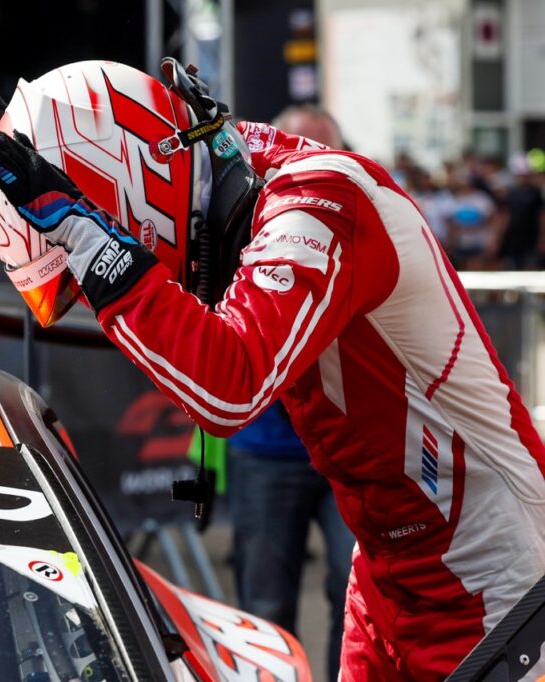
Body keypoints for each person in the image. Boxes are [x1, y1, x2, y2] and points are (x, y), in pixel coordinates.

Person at [0, 49, 545, 680]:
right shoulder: (231, 179)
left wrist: (83, 231)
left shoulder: (321, 197)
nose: (88, 288)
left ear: (131, 194)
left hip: (492, 570)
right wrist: (39, 149)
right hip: (392, 563)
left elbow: (227, 388)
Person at [222, 103, 355, 682]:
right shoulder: (233, 231)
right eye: (288, 152)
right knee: (266, 610)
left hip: (351, 452)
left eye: (318, 155)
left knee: (357, 604)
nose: (301, 167)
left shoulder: (358, 225)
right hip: (267, 452)